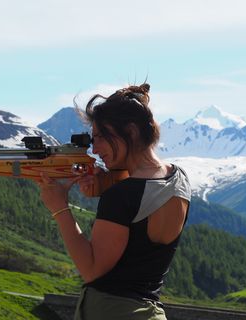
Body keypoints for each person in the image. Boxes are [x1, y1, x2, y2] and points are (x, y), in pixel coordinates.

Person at [37, 83, 191, 320]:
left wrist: (59, 207)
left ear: (130, 132)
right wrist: (106, 184)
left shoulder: (121, 196)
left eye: (100, 138)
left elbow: (92, 269)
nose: (95, 149)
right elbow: (147, 194)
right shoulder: (178, 178)